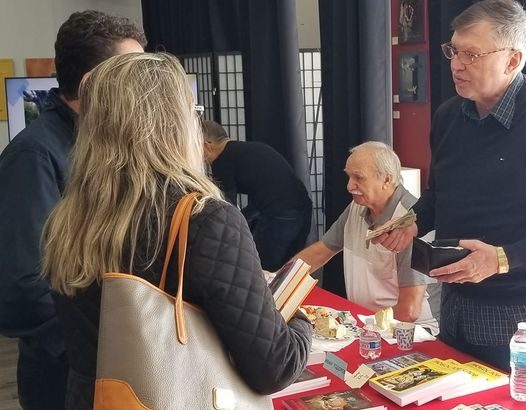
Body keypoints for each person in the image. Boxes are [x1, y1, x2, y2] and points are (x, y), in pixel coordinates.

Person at [40, 52, 312, 409]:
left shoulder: (66, 219)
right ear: (178, 122)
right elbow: (276, 366)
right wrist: (298, 316)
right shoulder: (205, 219)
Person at [0, 10, 146, 409]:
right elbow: (21, 290)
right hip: (66, 376)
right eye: (131, 74)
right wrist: (94, 343)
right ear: (91, 84)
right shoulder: (34, 156)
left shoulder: (103, 149)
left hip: (114, 364)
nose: (144, 88)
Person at [377, 0, 526, 372]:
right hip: (453, 297)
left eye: (471, 55)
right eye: (454, 51)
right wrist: (410, 221)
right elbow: (439, 195)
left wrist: (502, 258)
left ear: (512, 60)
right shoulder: (448, 116)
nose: (457, 65)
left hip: (515, 307)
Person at [295, 142, 439, 334]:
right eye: (349, 176)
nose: (349, 186)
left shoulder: (411, 223)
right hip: (367, 324)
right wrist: (279, 280)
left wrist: (361, 329)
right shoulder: (357, 207)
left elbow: (410, 311)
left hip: (409, 332)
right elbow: (319, 253)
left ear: (386, 179)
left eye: (359, 178)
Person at [202, 120, 313, 271]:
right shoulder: (247, 149)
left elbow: (227, 207)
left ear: (207, 144)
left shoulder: (222, 160)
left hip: (280, 216)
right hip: (301, 208)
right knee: (288, 272)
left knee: (263, 270)